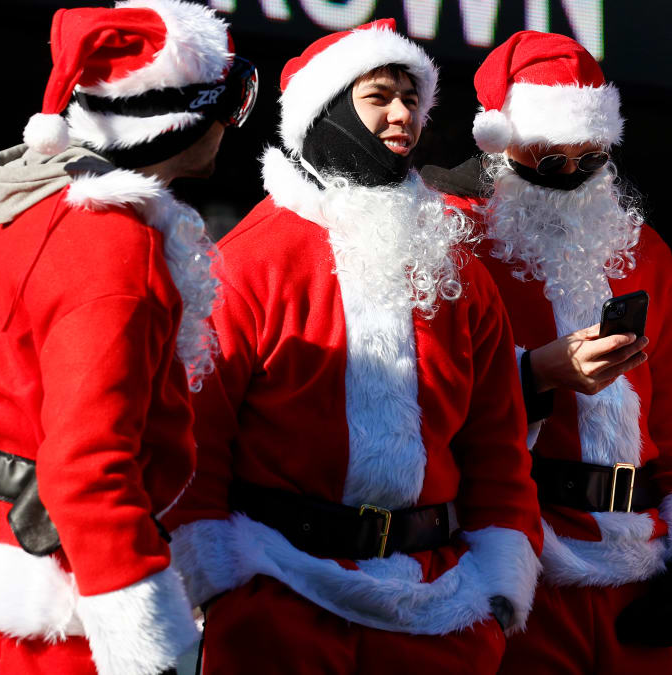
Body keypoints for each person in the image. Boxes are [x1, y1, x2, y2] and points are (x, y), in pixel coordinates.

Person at [162, 20, 543, 675]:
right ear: (328, 107)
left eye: (412, 98)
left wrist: (499, 589)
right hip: (280, 597)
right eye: (380, 96)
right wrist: (218, 580)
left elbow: (496, 445)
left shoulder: (459, 270)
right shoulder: (247, 263)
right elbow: (196, 443)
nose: (404, 113)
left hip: (439, 610)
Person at [0, 1, 257, 672]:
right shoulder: (115, 243)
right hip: (62, 596)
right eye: (230, 101)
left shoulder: (37, 207)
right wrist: (138, 626)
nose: (233, 125)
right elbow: (89, 464)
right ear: (178, 117)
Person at [427, 30, 672, 673]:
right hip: (519, 562)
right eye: (549, 161)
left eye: (589, 160)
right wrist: (536, 374)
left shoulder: (642, 248)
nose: (570, 177)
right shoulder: (447, 236)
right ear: (500, 144)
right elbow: (422, 402)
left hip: (641, 569)